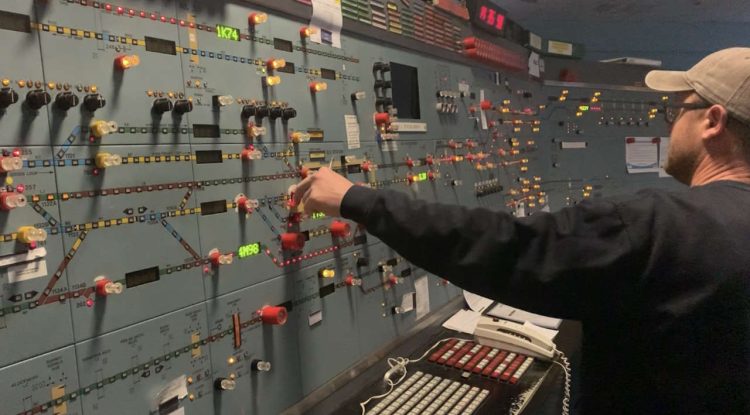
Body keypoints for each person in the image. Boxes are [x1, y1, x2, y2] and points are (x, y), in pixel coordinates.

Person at [292, 48, 750, 414]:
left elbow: (505, 246)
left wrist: (355, 199)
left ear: (712, 122)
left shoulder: (656, 223)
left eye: (680, 109)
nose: (671, 122)